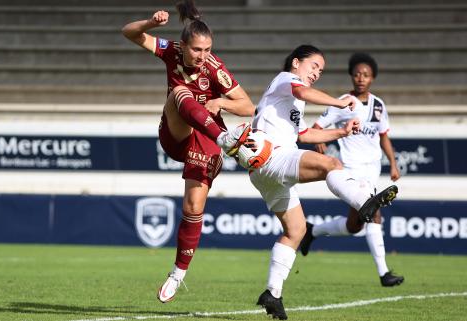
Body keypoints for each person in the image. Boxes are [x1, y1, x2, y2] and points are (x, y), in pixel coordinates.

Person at [246, 45, 398, 320]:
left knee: (296, 230)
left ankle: (273, 293)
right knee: (332, 165)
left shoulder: (292, 100)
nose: (317, 73)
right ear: (296, 63)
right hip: (273, 156)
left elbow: (304, 134)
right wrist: (339, 103)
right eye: (314, 66)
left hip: (263, 171)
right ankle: (364, 201)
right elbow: (303, 91)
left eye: (321, 70)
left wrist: (341, 131)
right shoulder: (285, 79)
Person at [122, 0, 255, 303]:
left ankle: (178, 273)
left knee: (194, 207)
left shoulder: (216, 69)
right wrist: (149, 24)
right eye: (197, 50)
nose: (203, 56)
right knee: (180, 92)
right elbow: (128, 32)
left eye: (208, 50)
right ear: (182, 46)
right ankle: (225, 139)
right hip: (177, 133)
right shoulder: (170, 50)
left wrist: (221, 103)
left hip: (205, 138)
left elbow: (248, 106)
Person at [299, 53, 404, 287]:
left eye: (365, 74)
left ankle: (312, 231)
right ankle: (384, 273)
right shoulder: (344, 103)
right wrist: (320, 140)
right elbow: (317, 126)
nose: (360, 78)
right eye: (356, 74)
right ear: (351, 76)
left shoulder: (379, 105)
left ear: (373, 78)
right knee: (374, 211)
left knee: (354, 226)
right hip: (352, 170)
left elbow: (383, 135)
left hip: (373, 168)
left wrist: (393, 163)